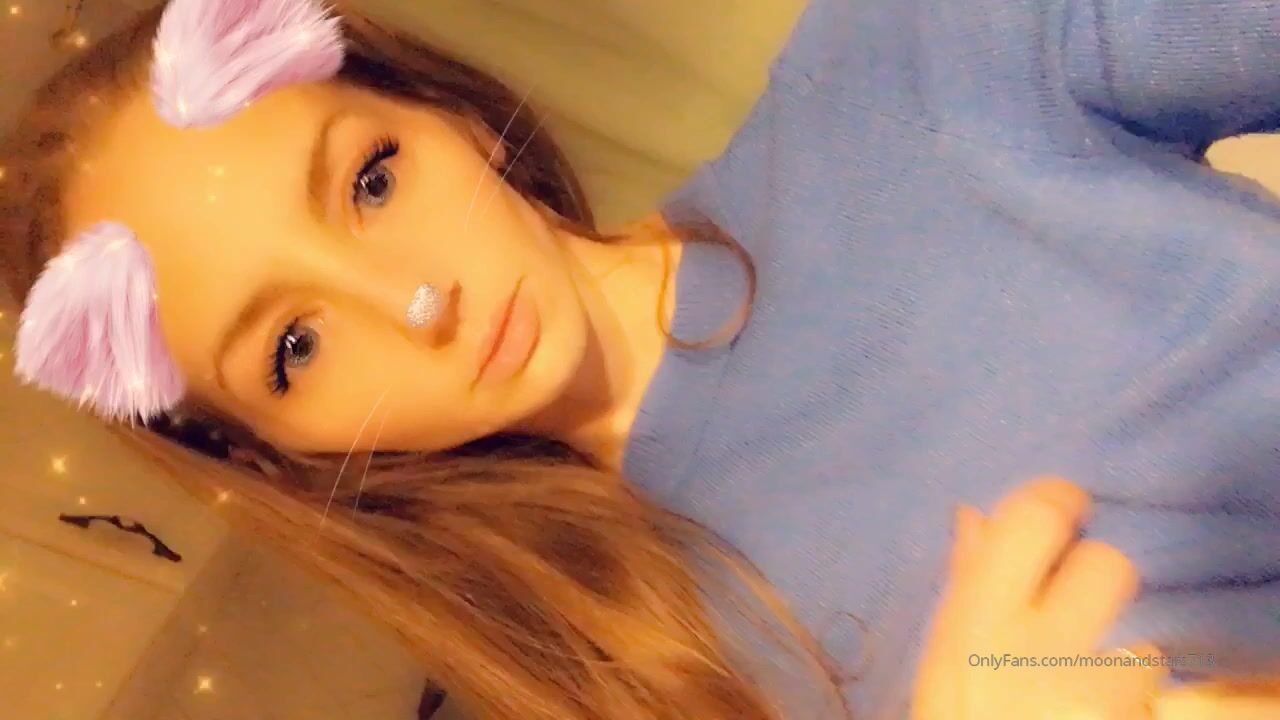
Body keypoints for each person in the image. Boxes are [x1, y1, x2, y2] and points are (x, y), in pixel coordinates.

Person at [1, 0, 1278, 718]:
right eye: (294, 346)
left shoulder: (901, 78)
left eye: (370, 180)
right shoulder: (565, 681)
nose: (417, 304)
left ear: (443, 117)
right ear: (271, 449)